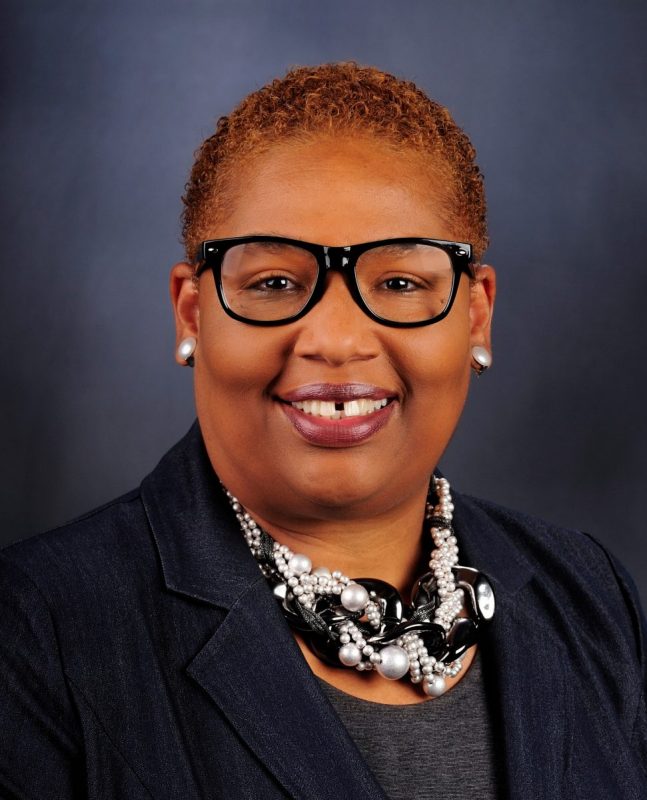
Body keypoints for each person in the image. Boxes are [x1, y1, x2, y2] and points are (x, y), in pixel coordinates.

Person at [1, 62, 645, 800]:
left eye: (400, 283)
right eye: (274, 282)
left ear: (476, 315)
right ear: (191, 314)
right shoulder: (38, 629)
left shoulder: (587, 594)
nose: (337, 340)